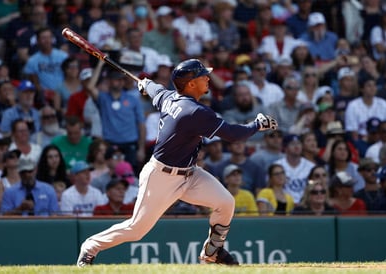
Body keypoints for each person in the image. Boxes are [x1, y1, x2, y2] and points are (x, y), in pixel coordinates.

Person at [76, 58, 278, 267]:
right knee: (136, 229)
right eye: (203, 76)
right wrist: (257, 124)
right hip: (161, 178)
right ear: (191, 84)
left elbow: (156, 90)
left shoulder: (169, 97)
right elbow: (234, 134)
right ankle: (90, 247)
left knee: (226, 202)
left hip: (189, 173)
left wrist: (146, 84)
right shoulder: (195, 112)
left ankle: (213, 251)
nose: (208, 78)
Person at [275, 134, 315, 204]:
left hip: (306, 205)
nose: (296, 146)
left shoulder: (311, 166)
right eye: (292, 144)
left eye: (298, 143)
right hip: (283, 204)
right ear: (285, 148)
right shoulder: (277, 166)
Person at [0, 149, 21, 214]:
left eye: (17, 157)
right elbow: (2, 205)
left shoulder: (24, 181)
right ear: (4, 163)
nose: (16, 158)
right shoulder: (0, 183)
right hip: (8, 219)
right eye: (11, 157)